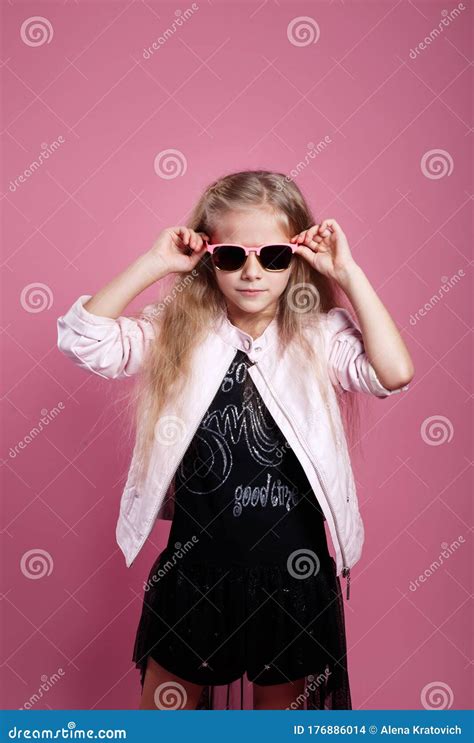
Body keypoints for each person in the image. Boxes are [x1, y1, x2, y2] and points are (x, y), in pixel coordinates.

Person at [56, 170, 414, 710]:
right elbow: (85, 341)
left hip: (296, 573)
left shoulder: (319, 336)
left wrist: (348, 271)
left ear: (296, 257)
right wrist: (156, 262)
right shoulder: (175, 332)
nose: (252, 272)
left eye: (272, 255)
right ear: (208, 257)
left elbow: (393, 373)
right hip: (194, 572)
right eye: (230, 256)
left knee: (278, 732)